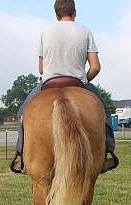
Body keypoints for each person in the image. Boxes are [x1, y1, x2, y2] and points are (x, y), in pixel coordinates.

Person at [11, 0, 118, 174]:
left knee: (22, 114)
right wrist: (84, 80)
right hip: (77, 82)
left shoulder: (45, 33)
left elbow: (41, 68)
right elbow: (96, 67)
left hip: (48, 83)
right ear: (74, 12)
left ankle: (21, 156)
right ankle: (108, 152)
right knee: (104, 112)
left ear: (56, 14)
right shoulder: (85, 32)